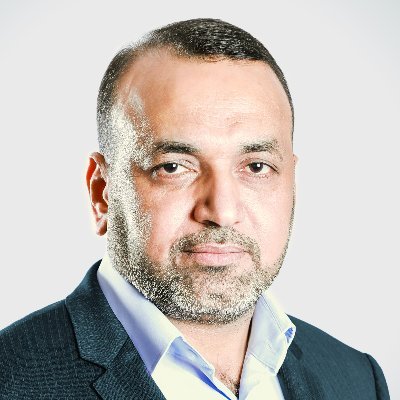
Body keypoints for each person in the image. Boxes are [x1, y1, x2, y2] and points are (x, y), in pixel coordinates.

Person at [0, 18, 390, 400]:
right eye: (173, 167)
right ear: (101, 192)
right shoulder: (11, 380)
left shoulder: (356, 379)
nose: (221, 211)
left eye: (257, 167)